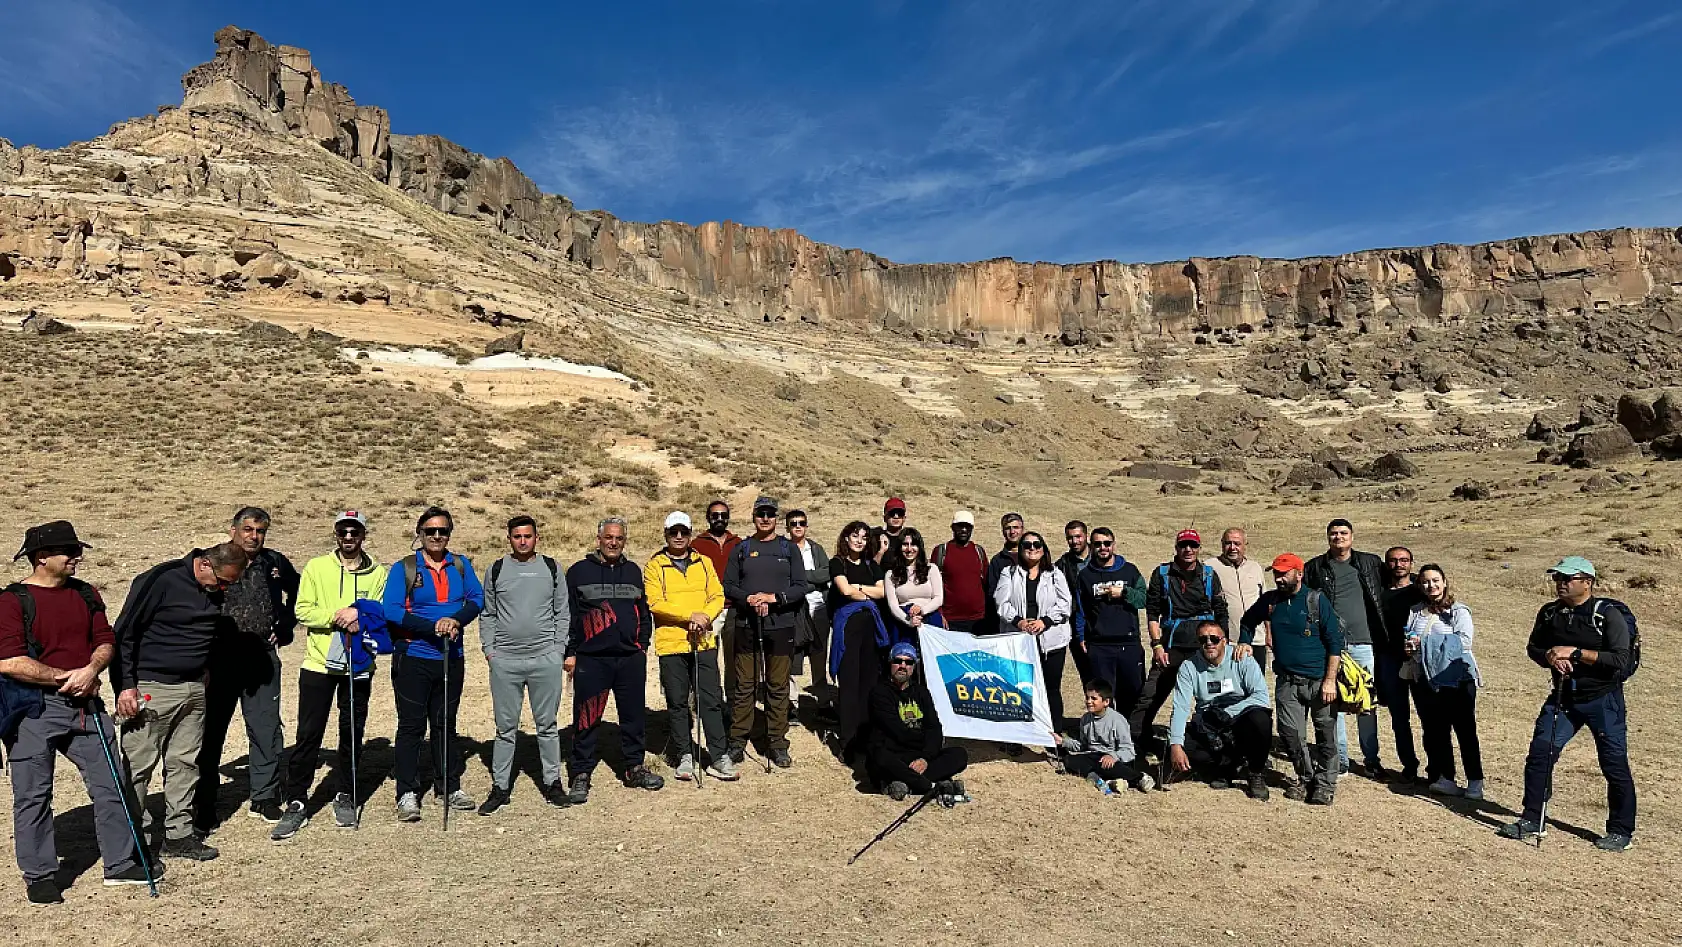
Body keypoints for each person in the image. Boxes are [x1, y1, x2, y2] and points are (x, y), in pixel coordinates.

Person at [1, 522, 158, 902]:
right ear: (41, 557)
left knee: (112, 785)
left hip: (87, 706)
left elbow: (105, 641)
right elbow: (8, 661)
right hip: (33, 710)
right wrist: (63, 678)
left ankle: (120, 864)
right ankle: (40, 874)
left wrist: (90, 671)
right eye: (67, 551)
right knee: (34, 795)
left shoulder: (86, 593)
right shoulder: (11, 601)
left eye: (76, 549)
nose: (77, 556)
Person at [114, 542, 250, 861]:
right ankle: (132, 840)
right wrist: (125, 687)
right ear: (204, 565)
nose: (225, 589)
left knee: (185, 763)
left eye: (231, 584)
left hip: (193, 689)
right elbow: (124, 634)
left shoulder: (213, 588)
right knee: (138, 765)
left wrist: (204, 669)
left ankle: (178, 835)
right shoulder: (161, 580)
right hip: (151, 687)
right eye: (223, 582)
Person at [1500, 557, 1637, 851]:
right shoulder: (1550, 613)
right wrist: (1549, 656)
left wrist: (1576, 653)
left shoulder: (1607, 615)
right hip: (1563, 698)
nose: (1561, 583)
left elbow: (1620, 659)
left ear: (1587, 582)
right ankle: (1532, 819)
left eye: (1568, 578)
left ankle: (1621, 831)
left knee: (1613, 764)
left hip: (1604, 701)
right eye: (1557, 578)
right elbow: (1533, 648)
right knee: (1540, 754)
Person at [271, 511, 387, 840]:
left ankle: (346, 794)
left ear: (363, 535)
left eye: (355, 531)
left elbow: (382, 611)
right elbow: (302, 610)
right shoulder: (316, 567)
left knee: (352, 731)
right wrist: (338, 617)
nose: (348, 537)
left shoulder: (378, 572)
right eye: (343, 531)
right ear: (336, 534)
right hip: (318, 665)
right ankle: (296, 801)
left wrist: (360, 614)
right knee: (309, 734)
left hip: (359, 664)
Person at [196, 507, 298, 834]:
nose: (254, 537)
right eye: (249, 529)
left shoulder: (275, 563)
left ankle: (264, 796)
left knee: (266, 728)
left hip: (262, 658)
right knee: (210, 732)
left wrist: (285, 625)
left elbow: (299, 592)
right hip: (220, 661)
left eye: (261, 531)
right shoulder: (215, 560)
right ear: (233, 530)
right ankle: (204, 803)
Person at [382, 506, 484, 822]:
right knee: (412, 726)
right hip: (413, 657)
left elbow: (477, 600)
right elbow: (392, 610)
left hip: (451, 658)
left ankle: (448, 786)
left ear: (449, 534)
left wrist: (454, 620)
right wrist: (433, 627)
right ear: (420, 534)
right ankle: (407, 792)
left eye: (442, 531)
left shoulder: (461, 565)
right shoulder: (405, 568)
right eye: (430, 531)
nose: (436, 536)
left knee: (444, 724)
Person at [476, 515, 570, 816]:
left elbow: (562, 612)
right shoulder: (497, 569)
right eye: (517, 536)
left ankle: (553, 782)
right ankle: (501, 786)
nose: (523, 541)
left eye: (527, 536)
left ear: (536, 538)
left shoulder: (552, 568)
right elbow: (487, 613)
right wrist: (490, 651)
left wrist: (557, 650)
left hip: (545, 659)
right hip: (506, 661)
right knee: (505, 728)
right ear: (509, 539)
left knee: (547, 725)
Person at [565, 517, 662, 803]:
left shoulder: (633, 571)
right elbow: (569, 615)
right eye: (608, 537)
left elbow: (643, 613)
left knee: (633, 717)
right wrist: (570, 652)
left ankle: (634, 768)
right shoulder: (579, 572)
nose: (613, 543)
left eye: (619, 538)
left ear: (624, 541)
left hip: (629, 659)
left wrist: (641, 645)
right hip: (591, 659)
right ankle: (581, 772)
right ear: (599, 539)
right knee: (587, 717)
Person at [1239, 554, 1342, 805]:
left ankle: (1325, 785)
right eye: (1276, 573)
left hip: (1319, 682)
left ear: (1299, 573)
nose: (1279, 578)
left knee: (1325, 734)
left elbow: (1335, 643)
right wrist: (1244, 639)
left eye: (1284, 573)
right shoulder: (1271, 601)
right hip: (1287, 680)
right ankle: (1305, 777)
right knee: (1290, 733)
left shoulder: (1315, 600)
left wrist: (1330, 681)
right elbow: (1248, 621)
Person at [646, 511, 736, 783]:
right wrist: (690, 616)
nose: (678, 537)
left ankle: (719, 756)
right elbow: (655, 602)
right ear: (666, 534)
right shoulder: (655, 565)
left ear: (689, 533)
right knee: (677, 702)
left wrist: (705, 616)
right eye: (673, 532)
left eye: (683, 531)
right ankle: (684, 754)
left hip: (703, 641)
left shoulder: (704, 562)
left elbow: (717, 595)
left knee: (709, 699)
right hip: (672, 644)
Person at [723, 497, 810, 768]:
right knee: (745, 685)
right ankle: (737, 741)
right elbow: (728, 585)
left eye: (770, 514)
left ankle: (777, 742)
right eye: (760, 514)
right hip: (747, 625)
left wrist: (774, 598)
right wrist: (750, 598)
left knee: (777, 686)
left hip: (781, 626)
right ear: (753, 516)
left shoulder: (788, 549)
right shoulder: (741, 548)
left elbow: (800, 586)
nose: (765, 518)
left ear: (776, 518)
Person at [1304, 519, 1387, 778]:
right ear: (1327, 537)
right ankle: (1339, 759)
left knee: (1366, 702)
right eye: (1333, 534)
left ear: (1352, 536)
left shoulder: (1370, 563)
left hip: (1364, 643)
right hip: (1331, 645)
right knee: (1332, 701)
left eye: (1343, 533)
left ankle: (1371, 759)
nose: (1338, 537)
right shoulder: (1315, 567)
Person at [1134, 529, 1228, 742]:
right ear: (1176, 548)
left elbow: (1221, 610)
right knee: (1151, 693)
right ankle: (1137, 740)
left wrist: (1223, 642)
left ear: (1198, 548)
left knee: (1213, 695)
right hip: (1171, 646)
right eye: (1183, 545)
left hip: (1205, 646)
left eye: (1193, 545)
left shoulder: (1209, 575)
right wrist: (1157, 645)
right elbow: (1152, 612)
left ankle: (1211, 740)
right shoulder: (1163, 573)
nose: (1188, 550)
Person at [1401, 564, 1483, 800]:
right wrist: (1409, 648)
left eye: (1435, 580)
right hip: (1425, 679)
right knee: (1436, 730)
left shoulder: (1458, 611)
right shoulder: (1415, 610)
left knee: (1465, 730)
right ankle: (1446, 778)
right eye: (1426, 582)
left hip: (1455, 678)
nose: (1431, 586)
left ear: (1445, 582)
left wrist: (1426, 644)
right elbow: (1410, 637)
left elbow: (1464, 642)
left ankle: (1475, 781)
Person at [1167, 620, 1273, 800]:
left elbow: (1262, 697)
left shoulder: (1242, 659)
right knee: (1182, 746)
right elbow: (1180, 706)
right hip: (1209, 720)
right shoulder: (1188, 667)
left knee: (1261, 721)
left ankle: (1255, 772)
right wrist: (1175, 745)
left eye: (1214, 638)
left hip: (1240, 714)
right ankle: (1229, 765)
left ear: (1224, 641)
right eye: (1203, 639)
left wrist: (1228, 713)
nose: (1209, 643)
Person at [866, 641, 968, 801]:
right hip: (894, 753)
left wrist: (925, 758)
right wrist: (923, 742)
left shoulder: (921, 692)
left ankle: (903, 783)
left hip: (919, 755)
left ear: (914, 667)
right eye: (898, 661)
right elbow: (896, 731)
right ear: (890, 663)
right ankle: (930, 786)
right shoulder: (879, 692)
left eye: (908, 662)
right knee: (880, 758)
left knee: (959, 754)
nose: (902, 666)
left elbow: (934, 727)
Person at [993, 531, 1073, 731]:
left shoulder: (1054, 574)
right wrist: (1018, 621)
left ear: (1044, 549)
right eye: (1026, 545)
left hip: (1051, 641)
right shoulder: (1008, 573)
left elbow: (1065, 604)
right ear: (1020, 550)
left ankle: (1054, 734)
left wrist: (1044, 621)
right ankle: (1019, 734)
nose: (1032, 548)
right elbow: (1001, 603)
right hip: (1019, 639)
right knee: (1018, 688)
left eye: (1037, 544)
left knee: (1051, 689)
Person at [827, 520, 888, 768]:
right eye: (855, 536)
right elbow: (843, 590)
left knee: (869, 684)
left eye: (864, 537)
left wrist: (859, 588)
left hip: (870, 632)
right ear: (846, 538)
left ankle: (865, 739)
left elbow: (883, 592)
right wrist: (865, 591)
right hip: (848, 631)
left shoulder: (872, 566)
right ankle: (847, 742)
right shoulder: (837, 563)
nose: (860, 540)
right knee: (850, 685)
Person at [1073, 527, 1148, 720]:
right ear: (1091, 547)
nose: (1103, 548)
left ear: (1113, 545)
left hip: (1128, 642)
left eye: (1107, 543)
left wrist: (1124, 593)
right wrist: (1081, 636)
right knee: (1102, 696)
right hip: (1099, 644)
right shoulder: (1085, 575)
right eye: (1097, 544)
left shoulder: (1130, 570)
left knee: (1132, 693)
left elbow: (1143, 599)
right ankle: (1105, 739)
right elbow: (1081, 609)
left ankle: (1131, 739)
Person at [1055, 681, 1153, 793]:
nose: (1089, 702)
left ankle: (1139, 778)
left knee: (1108, 765)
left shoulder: (1117, 720)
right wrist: (1063, 741)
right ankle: (1105, 780)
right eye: (1087, 698)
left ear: (1106, 702)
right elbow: (1083, 746)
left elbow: (1128, 751)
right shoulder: (1085, 719)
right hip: (1095, 758)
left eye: (1093, 699)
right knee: (1069, 760)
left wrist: (1113, 756)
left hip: (1115, 761)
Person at [1378, 546, 1424, 783]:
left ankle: (1437, 770)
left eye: (1404, 560)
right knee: (1399, 717)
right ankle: (1409, 765)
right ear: (1387, 564)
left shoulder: (1421, 591)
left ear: (1411, 563)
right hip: (1389, 658)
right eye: (1393, 561)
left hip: (1418, 659)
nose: (1399, 565)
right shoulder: (1379, 592)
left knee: (1428, 716)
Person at [693, 500, 742, 693]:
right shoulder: (697, 544)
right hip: (708, 610)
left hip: (732, 609)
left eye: (723, 515)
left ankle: (732, 703)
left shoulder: (739, 543)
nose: (719, 519)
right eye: (715, 515)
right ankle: (709, 700)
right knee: (707, 659)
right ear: (708, 518)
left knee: (734, 659)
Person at [786, 510, 831, 693]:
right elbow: (785, 579)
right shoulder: (783, 549)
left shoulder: (816, 548)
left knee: (819, 656)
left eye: (801, 523)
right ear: (787, 527)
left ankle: (822, 702)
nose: (798, 526)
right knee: (791, 656)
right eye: (794, 523)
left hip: (818, 608)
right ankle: (792, 702)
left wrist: (802, 579)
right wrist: (813, 582)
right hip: (794, 610)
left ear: (806, 525)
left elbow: (826, 573)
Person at [1210, 528, 1267, 670]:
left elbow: (1264, 603)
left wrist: (1268, 634)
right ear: (1222, 544)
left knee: (1256, 686)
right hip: (1227, 641)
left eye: (1237, 543)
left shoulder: (1255, 568)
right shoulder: (1210, 567)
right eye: (1228, 543)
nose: (1232, 548)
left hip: (1256, 639)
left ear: (1245, 545)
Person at [931, 511, 988, 633]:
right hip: (950, 618)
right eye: (960, 526)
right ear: (952, 527)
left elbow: (986, 583)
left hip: (978, 619)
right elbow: (933, 586)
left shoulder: (979, 552)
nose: (963, 530)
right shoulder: (941, 551)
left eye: (967, 527)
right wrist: (939, 614)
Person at [885, 528, 944, 635]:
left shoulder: (932, 569)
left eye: (913, 545)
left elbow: (938, 598)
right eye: (905, 544)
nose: (909, 549)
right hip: (904, 622)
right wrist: (908, 621)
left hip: (930, 619)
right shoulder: (891, 574)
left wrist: (922, 610)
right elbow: (893, 605)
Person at [1056, 521, 1093, 685]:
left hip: (1102, 623)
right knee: (1086, 674)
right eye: (1070, 538)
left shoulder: (1101, 556)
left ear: (1086, 536)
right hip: (1077, 625)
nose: (1075, 541)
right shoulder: (1062, 565)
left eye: (1078, 536)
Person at [872, 497, 909, 563]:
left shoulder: (910, 538)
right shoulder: (875, 537)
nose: (896, 517)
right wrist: (881, 551)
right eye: (892, 513)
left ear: (904, 518)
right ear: (884, 518)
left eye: (900, 513)